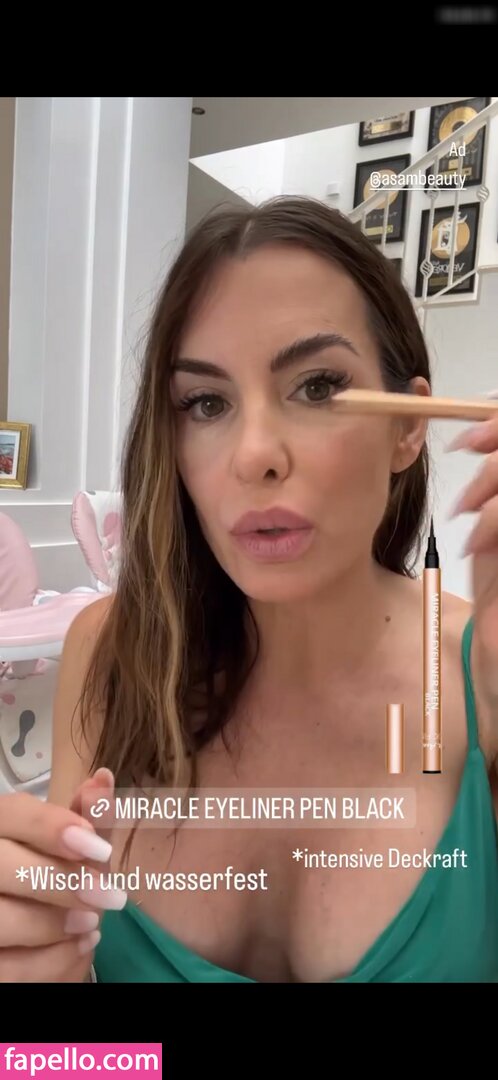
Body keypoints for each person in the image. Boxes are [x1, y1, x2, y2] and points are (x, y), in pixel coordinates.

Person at [1, 196, 498, 983]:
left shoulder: (481, 679)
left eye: (318, 388)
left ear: (408, 426)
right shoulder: (109, 651)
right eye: (207, 403)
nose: (254, 455)